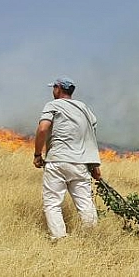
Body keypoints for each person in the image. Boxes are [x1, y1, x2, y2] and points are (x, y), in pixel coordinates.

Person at [33, 77, 102, 240]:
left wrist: (37, 154)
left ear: (58, 89)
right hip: (81, 164)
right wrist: (94, 166)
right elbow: (91, 136)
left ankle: (59, 239)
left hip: (58, 161)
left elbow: (43, 129)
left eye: (54, 88)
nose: (53, 91)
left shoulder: (53, 105)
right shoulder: (85, 109)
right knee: (85, 203)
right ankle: (90, 238)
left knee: (52, 203)